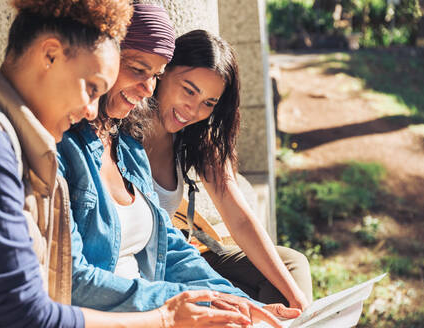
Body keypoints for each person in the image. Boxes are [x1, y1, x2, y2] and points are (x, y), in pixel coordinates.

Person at [0, 1, 259, 327]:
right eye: (91, 88)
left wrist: (235, 306)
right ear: (50, 55)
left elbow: (165, 247)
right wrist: (165, 318)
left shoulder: (23, 142)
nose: (92, 111)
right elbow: (29, 313)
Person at [57, 4, 301, 327]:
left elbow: (171, 246)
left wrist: (238, 304)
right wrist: (175, 306)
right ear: (104, 60)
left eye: (154, 76)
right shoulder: (64, 149)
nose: (147, 89)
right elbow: (73, 281)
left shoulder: (128, 147)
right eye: (137, 69)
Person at [123, 29, 313, 310]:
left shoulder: (197, 137)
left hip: (181, 252)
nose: (193, 110)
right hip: (144, 269)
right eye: (189, 90)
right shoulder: (122, 125)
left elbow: (240, 218)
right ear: (163, 72)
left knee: (291, 267)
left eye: (208, 103)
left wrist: (298, 300)